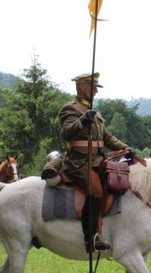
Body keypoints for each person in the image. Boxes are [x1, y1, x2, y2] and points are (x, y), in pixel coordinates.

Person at [57, 72, 133, 253]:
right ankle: (90, 238)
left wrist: (125, 147)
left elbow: (106, 137)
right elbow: (66, 133)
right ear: (82, 86)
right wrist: (82, 121)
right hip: (79, 161)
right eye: (93, 87)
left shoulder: (95, 112)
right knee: (96, 189)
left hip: (98, 159)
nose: (96, 92)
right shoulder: (71, 109)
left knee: (117, 179)